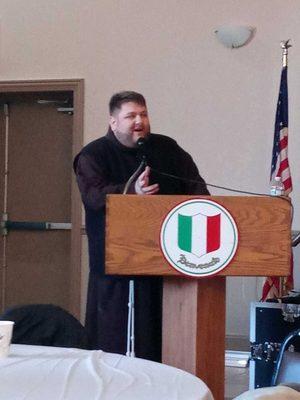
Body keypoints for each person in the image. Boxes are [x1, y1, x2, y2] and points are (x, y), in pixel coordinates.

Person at [73, 91, 210, 362]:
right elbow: (94, 196)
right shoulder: (93, 155)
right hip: (117, 269)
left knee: (162, 343)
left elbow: (196, 187)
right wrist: (132, 192)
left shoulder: (166, 148)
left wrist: (209, 210)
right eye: (131, 116)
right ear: (113, 122)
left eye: (143, 114)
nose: (140, 121)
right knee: (116, 346)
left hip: (170, 261)